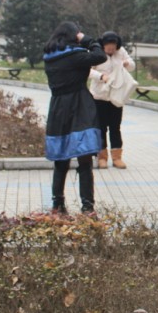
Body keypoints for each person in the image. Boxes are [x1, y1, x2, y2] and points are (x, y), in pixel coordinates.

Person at [43, 22, 107, 215]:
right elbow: (100, 55)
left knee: (61, 159)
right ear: (74, 35)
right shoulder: (75, 56)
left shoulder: (50, 57)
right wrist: (87, 39)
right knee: (84, 159)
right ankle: (87, 207)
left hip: (58, 109)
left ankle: (57, 204)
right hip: (79, 107)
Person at [89, 31, 136, 170]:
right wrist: (100, 76)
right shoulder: (95, 52)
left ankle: (117, 157)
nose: (111, 48)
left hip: (116, 95)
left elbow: (132, 65)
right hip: (99, 96)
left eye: (113, 46)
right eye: (108, 46)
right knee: (101, 127)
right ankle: (102, 157)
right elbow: (87, 70)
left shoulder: (121, 52)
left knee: (115, 127)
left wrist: (126, 63)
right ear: (103, 44)